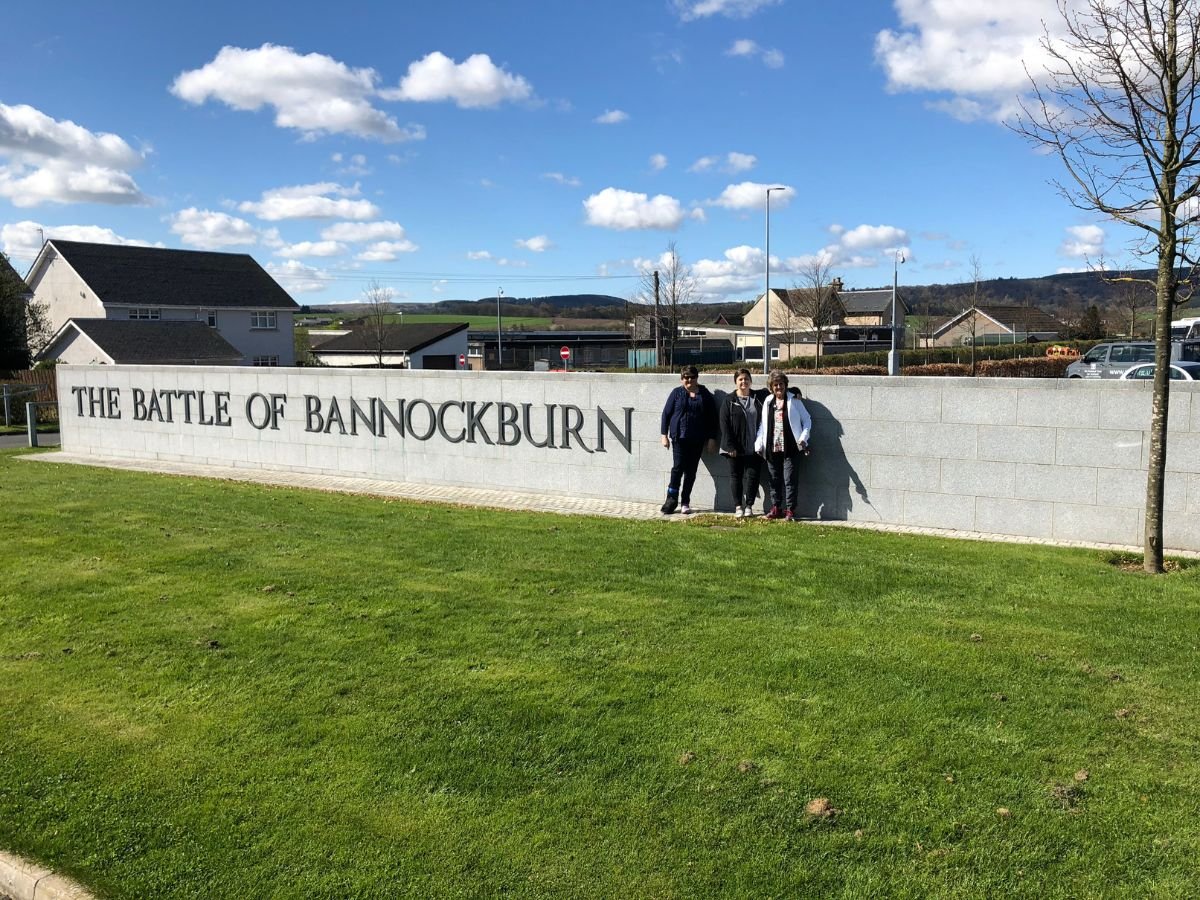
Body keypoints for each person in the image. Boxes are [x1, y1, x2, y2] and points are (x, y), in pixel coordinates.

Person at [754, 369, 812, 521]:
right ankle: (776, 508)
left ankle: (790, 510)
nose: (778, 387)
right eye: (775, 385)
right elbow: (763, 425)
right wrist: (758, 443)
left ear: (785, 385)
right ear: (771, 387)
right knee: (774, 479)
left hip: (791, 447)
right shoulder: (768, 401)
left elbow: (807, 420)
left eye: (781, 384)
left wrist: (803, 437)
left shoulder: (794, 400)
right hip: (772, 447)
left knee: (789, 480)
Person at [659, 365, 718, 514]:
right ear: (681, 379)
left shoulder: (704, 394)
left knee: (691, 472)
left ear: (697, 378)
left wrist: (712, 438)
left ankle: (685, 501)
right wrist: (664, 435)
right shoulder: (676, 393)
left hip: (697, 439)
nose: (689, 380)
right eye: (686, 377)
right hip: (679, 438)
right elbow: (666, 414)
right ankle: (671, 500)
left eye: (692, 377)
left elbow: (712, 418)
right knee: (677, 468)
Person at [719, 368, 766, 518]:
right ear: (735, 382)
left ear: (751, 381)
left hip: (754, 447)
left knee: (753, 476)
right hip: (734, 448)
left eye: (746, 379)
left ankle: (749, 506)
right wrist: (730, 446)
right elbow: (724, 424)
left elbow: (779, 387)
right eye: (740, 379)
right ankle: (738, 506)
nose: (743, 382)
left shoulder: (759, 397)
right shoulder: (729, 400)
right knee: (736, 476)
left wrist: (796, 390)